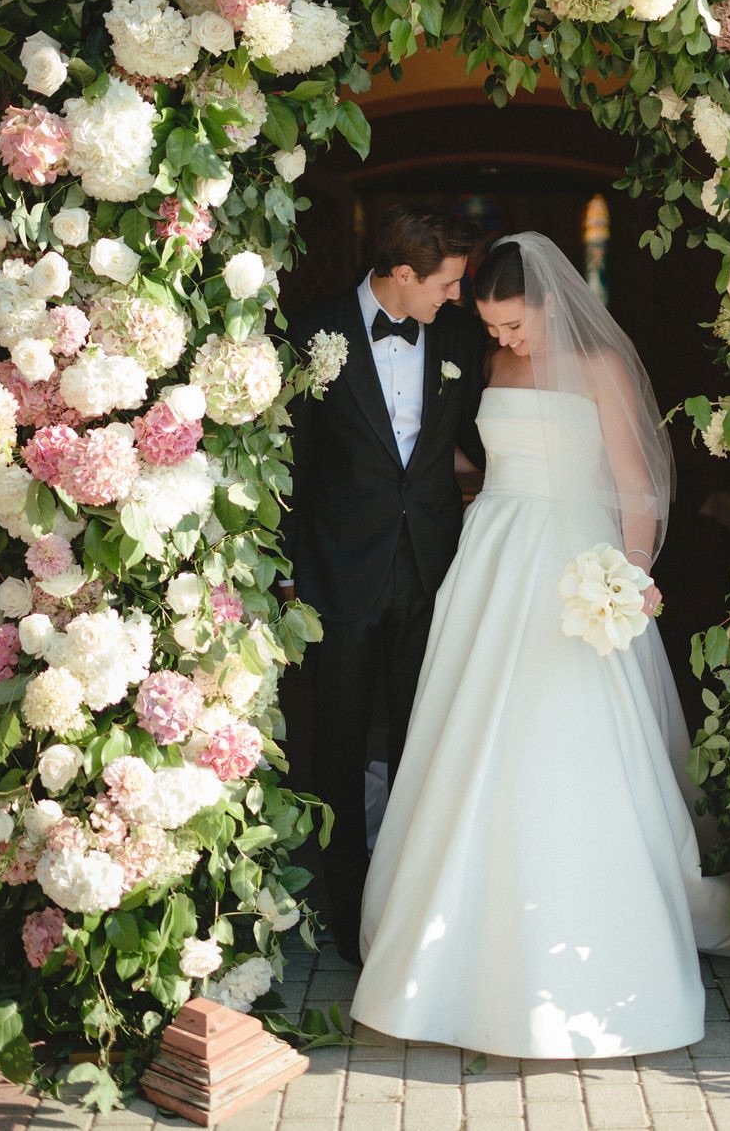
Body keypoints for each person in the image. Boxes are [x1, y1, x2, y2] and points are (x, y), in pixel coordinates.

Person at [350, 232, 730, 1058]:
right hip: (495, 556)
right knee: (472, 727)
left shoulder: (598, 369)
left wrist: (628, 576)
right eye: (494, 328)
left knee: (569, 732)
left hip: (575, 557)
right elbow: (483, 460)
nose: (504, 340)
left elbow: (636, 484)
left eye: (515, 326)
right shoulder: (489, 366)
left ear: (552, 304)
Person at [281, 207, 486, 966]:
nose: (455, 298)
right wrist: (291, 575)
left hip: (432, 571)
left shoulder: (459, 338)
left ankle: (411, 904)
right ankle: (346, 911)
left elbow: (475, 444)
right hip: (337, 574)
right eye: (448, 283)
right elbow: (290, 466)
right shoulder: (312, 331)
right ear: (403, 275)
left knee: (421, 741)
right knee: (335, 746)